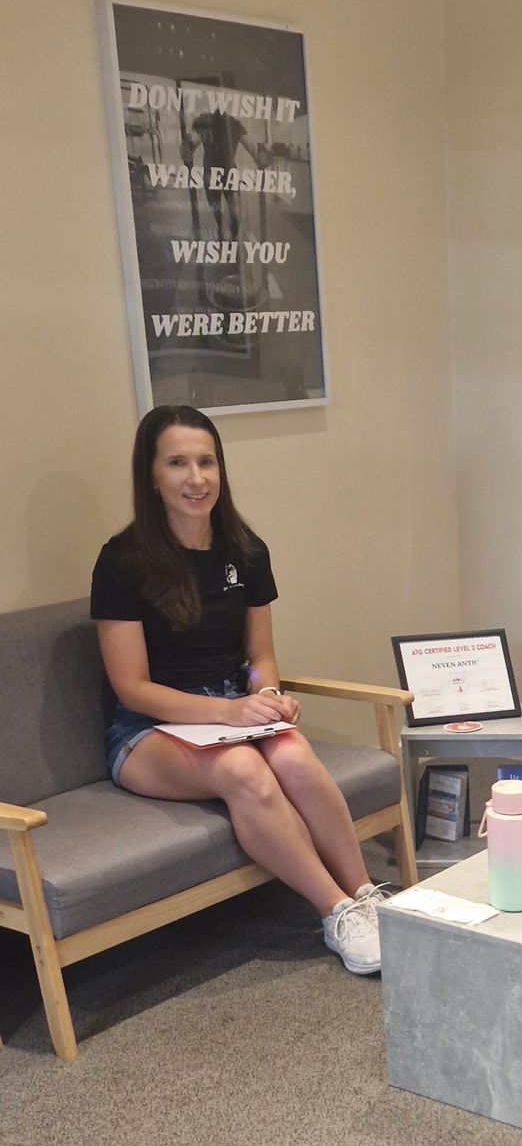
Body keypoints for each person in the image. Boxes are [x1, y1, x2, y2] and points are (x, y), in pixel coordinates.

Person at [91, 405, 387, 974]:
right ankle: (336, 913)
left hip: (233, 707)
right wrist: (229, 710)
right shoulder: (122, 561)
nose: (195, 478)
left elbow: (261, 657)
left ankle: (367, 894)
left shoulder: (245, 550)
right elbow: (132, 689)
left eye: (206, 462)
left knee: (295, 756)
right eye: (177, 463)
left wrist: (268, 694)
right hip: (147, 730)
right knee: (244, 771)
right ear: (151, 475)